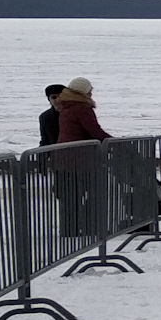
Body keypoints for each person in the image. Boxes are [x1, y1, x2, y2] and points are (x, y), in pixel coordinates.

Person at [52, 77, 111, 236]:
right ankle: (90, 227)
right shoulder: (81, 108)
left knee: (71, 196)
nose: (91, 93)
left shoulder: (65, 107)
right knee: (92, 193)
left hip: (64, 157)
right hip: (80, 159)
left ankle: (69, 229)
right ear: (83, 91)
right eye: (89, 90)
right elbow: (94, 130)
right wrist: (114, 142)